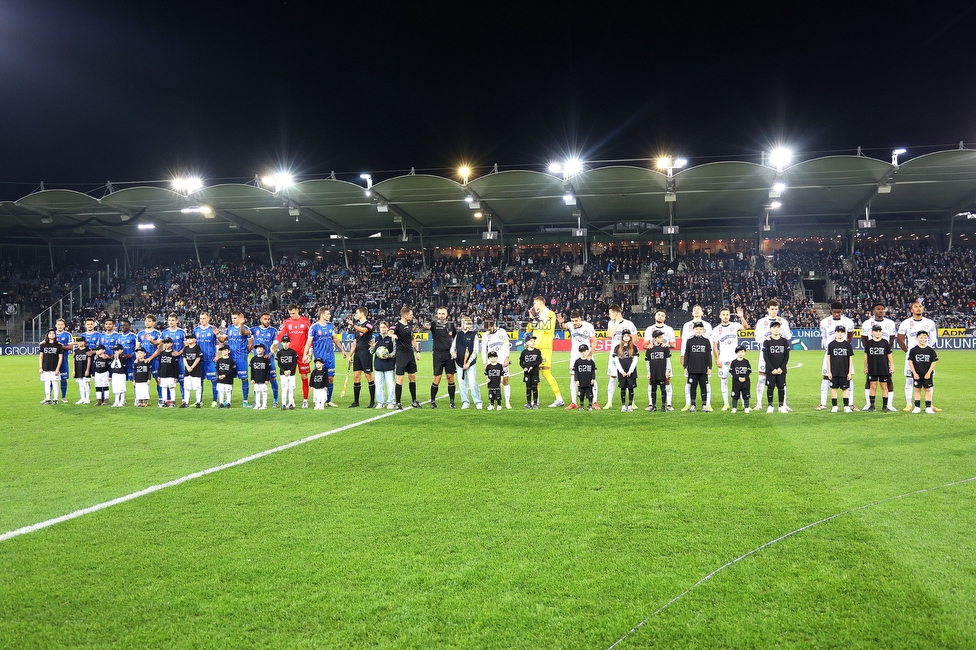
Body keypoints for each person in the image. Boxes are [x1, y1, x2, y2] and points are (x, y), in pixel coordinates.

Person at [898, 301, 939, 412]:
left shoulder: (929, 323)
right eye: (915, 307)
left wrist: (926, 349)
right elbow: (900, 340)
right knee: (909, 379)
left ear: (923, 309)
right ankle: (909, 404)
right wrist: (908, 352)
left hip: (926, 356)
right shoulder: (906, 323)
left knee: (928, 379)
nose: (918, 308)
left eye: (920, 306)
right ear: (911, 310)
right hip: (912, 356)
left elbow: (933, 339)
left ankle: (929, 404)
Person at [816, 302, 856, 411]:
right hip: (830, 353)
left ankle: (851, 404)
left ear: (842, 311)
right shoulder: (825, 322)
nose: (837, 314)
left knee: (849, 376)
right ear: (831, 311)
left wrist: (844, 346)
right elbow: (824, 337)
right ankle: (823, 403)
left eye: (839, 312)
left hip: (844, 353)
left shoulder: (848, 322)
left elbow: (850, 336)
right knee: (826, 377)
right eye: (835, 312)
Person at [755, 300, 793, 411]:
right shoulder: (761, 322)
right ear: (767, 309)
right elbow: (757, 337)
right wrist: (764, 339)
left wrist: (783, 326)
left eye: (776, 309)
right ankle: (759, 403)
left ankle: (783, 404)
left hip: (779, 355)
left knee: (782, 380)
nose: (774, 311)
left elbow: (788, 337)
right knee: (762, 378)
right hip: (765, 354)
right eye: (772, 309)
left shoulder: (783, 321)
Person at [305, 307, 347, 408]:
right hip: (319, 358)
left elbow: (335, 339)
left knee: (330, 378)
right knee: (319, 378)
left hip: (330, 357)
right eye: (328, 314)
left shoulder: (330, 326)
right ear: (322, 315)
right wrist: (305, 354)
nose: (329, 315)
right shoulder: (314, 327)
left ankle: (328, 400)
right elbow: (309, 342)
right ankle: (318, 399)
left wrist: (342, 349)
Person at [527, 296, 564, 407]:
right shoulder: (537, 316)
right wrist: (533, 318)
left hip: (545, 347)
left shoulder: (550, 314)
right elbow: (529, 329)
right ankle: (536, 400)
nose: (534, 305)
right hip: (536, 347)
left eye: (535, 303)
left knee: (546, 373)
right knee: (536, 374)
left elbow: (549, 329)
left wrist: (537, 320)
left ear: (540, 303)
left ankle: (559, 399)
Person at [860, 302, 897, 411]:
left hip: (883, 356)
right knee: (871, 382)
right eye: (878, 309)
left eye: (882, 309)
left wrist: (884, 350)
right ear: (873, 311)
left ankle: (889, 404)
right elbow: (864, 339)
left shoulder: (890, 323)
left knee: (887, 381)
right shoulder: (867, 323)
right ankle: (869, 403)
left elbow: (891, 339)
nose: (880, 311)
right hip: (873, 357)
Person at [559, 311, 597, 410]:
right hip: (575, 356)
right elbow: (564, 326)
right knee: (573, 378)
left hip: (587, 355)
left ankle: (594, 402)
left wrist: (590, 354)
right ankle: (574, 402)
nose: (574, 323)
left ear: (580, 319)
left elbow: (594, 341)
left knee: (592, 377)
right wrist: (561, 323)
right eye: (572, 321)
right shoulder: (570, 325)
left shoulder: (588, 326)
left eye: (576, 320)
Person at [712, 306, 748, 411]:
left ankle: (742, 402)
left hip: (735, 359)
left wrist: (742, 317)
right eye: (723, 315)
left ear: (729, 315)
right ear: (720, 316)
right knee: (724, 380)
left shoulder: (734, 325)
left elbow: (746, 327)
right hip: (723, 359)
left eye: (727, 314)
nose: (725, 316)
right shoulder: (716, 330)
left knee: (739, 380)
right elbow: (715, 345)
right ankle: (726, 403)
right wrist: (717, 359)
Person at [277, 304, 311, 408]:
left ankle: (305, 400)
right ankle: (291, 401)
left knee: (304, 376)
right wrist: (276, 342)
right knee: (289, 377)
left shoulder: (306, 321)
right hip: (290, 354)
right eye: (290, 313)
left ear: (297, 310)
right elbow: (281, 333)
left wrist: (310, 351)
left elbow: (310, 337)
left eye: (293, 313)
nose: (291, 315)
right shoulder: (286, 322)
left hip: (302, 354)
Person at [680, 305, 713, 411]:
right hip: (692, 362)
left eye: (699, 309)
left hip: (703, 362)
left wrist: (710, 364)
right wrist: (683, 358)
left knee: (705, 384)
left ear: (702, 312)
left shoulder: (707, 325)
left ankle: (706, 404)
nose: (696, 311)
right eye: (694, 310)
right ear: (692, 312)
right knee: (690, 383)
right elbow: (684, 343)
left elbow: (709, 348)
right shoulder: (686, 325)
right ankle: (689, 403)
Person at [605, 304, 636, 409]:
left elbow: (635, 340)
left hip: (627, 356)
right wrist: (617, 323)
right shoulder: (611, 323)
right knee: (612, 377)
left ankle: (632, 402)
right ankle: (609, 402)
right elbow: (610, 334)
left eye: (610, 313)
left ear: (616, 313)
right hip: (614, 355)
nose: (609, 315)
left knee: (628, 377)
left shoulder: (629, 324)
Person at [643, 310, 676, 410]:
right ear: (655, 316)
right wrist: (649, 345)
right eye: (658, 315)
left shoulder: (669, 329)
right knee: (651, 381)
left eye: (662, 315)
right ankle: (651, 404)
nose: (660, 317)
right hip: (654, 359)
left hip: (664, 359)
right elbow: (644, 345)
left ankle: (668, 404)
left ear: (665, 318)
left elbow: (673, 344)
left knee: (667, 380)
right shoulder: (649, 329)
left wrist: (667, 345)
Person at [391, 306, 422, 410]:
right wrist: (392, 335)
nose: (412, 316)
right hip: (401, 354)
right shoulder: (397, 325)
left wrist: (417, 351)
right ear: (405, 315)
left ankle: (414, 400)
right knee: (400, 378)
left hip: (410, 353)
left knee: (412, 376)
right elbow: (390, 331)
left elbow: (412, 339)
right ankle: (398, 403)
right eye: (410, 314)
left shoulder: (409, 326)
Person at [221, 311, 252, 407]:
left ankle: (245, 401)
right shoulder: (229, 328)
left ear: (240, 318)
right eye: (232, 318)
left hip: (241, 358)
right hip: (230, 358)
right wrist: (220, 330)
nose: (234, 320)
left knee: (244, 378)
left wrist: (245, 353)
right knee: (228, 378)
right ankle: (227, 400)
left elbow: (251, 344)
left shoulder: (246, 329)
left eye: (235, 318)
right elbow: (222, 339)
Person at [428, 306, 457, 409]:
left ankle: (452, 402)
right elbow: (426, 326)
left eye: (443, 313)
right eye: (439, 313)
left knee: (450, 377)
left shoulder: (451, 325)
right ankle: (432, 401)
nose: (441, 315)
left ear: (447, 314)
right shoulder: (433, 325)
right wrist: (425, 325)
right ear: (437, 314)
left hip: (449, 355)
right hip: (438, 355)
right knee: (437, 378)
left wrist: (455, 351)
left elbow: (455, 338)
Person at [347, 306, 376, 408]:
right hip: (358, 354)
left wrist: (353, 325)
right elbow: (355, 343)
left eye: (357, 313)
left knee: (368, 376)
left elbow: (364, 331)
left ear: (362, 314)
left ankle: (372, 402)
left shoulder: (369, 324)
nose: (356, 315)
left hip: (366, 353)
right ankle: (356, 401)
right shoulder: (357, 326)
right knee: (356, 377)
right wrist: (350, 356)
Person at [480, 319, 512, 408]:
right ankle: (493, 402)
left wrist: (507, 357)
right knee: (493, 382)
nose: (488, 330)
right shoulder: (485, 335)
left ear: (493, 325)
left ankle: (507, 401)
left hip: (502, 361)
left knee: (505, 380)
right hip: (492, 363)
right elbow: (483, 350)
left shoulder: (502, 332)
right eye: (487, 329)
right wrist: (484, 363)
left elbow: (506, 345)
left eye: (489, 327)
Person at [863, 324, 895, 412]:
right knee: (873, 386)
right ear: (872, 332)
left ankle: (885, 406)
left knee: (884, 386)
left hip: (883, 367)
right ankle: (872, 405)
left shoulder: (885, 342)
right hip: (872, 367)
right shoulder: (869, 343)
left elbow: (889, 354)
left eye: (879, 331)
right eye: (876, 331)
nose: (878, 333)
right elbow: (866, 355)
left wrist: (891, 365)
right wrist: (865, 366)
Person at [251, 312, 280, 408]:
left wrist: (270, 354)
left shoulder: (273, 330)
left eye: (268, 319)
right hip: (257, 360)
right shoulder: (255, 329)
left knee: (272, 379)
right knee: (256, 380)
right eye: (265, 319)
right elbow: (244, 333)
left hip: (269, 360)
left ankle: (275, 401)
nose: (267, 321)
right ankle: (256, 402)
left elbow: (275, 345)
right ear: (261, 319)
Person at [193, 312, 220, 407]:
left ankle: (214, 400)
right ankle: (199, 400)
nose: (202, 320)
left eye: (204, 318)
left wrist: (218, 354)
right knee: (199, 380)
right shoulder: (196, 330)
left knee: (214, 380)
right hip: (199, 360)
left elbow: (220, 342)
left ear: (208, 318)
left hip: (210, 360)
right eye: (200, 318)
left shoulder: (212, 329)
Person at [762, 321, 790, 413]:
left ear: (780, 329)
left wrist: (781, 368)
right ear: (770, 329)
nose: (776, 329)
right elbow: (766, 357)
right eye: (774, 327)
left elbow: (786, 356)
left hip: (781, 370)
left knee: (781, 387)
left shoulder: (784, 341)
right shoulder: (767, 342)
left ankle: (781, 405)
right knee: (770, 387)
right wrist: (772, 369)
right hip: (771, 370)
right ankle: (770, 405)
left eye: (778, 327)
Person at [908, 331, 938, 414]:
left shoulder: (930, 350)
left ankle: (928, 407)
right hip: (917, 373)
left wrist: (929, 373)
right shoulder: (913, 350)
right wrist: (914, 373)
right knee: (917, 389)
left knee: (927, 389)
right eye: (921, 337)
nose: (923, 339)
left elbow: (934, 361)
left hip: (927, 374)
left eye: (925, 337)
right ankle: (917, 407)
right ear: (917, 338)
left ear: (927, 338)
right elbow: (910, 361)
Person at [825, 325, 854, 412]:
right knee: (834, 388)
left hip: (844, 371)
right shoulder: (831, 345)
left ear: (844, 333)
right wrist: (829, 372)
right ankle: (835, 406)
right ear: (835, 333)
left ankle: (846, 406)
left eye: (842, 332)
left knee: (845, 389)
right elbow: (828, 359)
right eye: (838, 332)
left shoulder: (847, 345)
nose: (840, 334)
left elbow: (850, 359)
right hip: (834, 371)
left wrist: (849, 372)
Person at [455, 316, 482, 409]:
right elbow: (453, 347)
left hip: (470, 364)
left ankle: (478, 401)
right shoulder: (458, 335)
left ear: (469, 324)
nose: (463, 324)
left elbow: (475, 351)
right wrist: (453, 353)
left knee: (472, 382)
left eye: (465, 323)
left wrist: (469, 362)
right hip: (459, 364)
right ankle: (465, 402)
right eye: (462, 322)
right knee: (461, 382)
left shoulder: (474, 335)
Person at [159, 313, 187, 403]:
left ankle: (184, 399)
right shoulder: (164, 332)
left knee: (182, 380)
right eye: (169, 320)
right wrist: (151, 340)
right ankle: (168, 400)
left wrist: (179, 353)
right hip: (167, 360)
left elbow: (186, 345)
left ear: (177, 321)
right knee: (167, 380)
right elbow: (159, 343)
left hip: (179, 359)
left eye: (173, 320)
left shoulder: (182, 332)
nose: (171, 322)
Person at [610, 329, 639, 412]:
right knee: (622, 388)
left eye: (628, 336)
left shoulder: (634, 347)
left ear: (630, 337)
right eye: (624, 336)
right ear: (622, 337)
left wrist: (630, 371)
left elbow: (635, 360)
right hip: (622, 371)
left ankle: (630, 405)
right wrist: (621, 371)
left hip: (631, 371)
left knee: (631, 388)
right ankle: (623, 405)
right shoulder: (618, 347)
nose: (626, 337)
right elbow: (616, 361)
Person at [371, 321, 396, 409]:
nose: (382, 329)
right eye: (381, 327)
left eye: (384, 327)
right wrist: (373, 346)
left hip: (389, 365)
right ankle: (380, 402)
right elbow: (371, 352)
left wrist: (390, 355)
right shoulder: (376, 339)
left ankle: (390, 402)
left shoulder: (391, 338)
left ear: (387, 328)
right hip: (378, 366)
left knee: (390, 385)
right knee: (379, 385)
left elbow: (395, 351)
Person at [645, 330, 671, 412]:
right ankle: (654, 406)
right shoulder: (650, 349)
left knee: (663, 389)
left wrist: (667, 371)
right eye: (659, 337)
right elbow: (647, 361)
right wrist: (648, 372)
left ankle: (663, 406)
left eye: (661, 337)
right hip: (653, 372)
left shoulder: (665, 348)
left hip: (662, 372)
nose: (661, 339)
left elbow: (668, 360)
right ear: (655, 338)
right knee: (653, 389)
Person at [138, 314, 162, 402]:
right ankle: (143, 398)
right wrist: (139, 358)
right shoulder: (140, 333)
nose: (147, 323)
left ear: (153, 323)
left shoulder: (158, 333)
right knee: (142, 379)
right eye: (146, 321)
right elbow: (137, 348)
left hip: (154, 359)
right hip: (143, 360)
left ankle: (161, 398)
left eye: (149, 321)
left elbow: (159, 349)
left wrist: (150, 358)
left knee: (158, 379)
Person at [39, 329, 63, 405]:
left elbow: (60, 358)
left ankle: (55, 399)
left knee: (55, 382)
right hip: (45, 367)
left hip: (54, 367)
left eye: (53, 333)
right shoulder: (43, 345)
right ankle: (48, 399)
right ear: (47, 335)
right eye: (50, 333)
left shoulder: (58, 345)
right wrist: (40, 367)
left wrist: (57, 368)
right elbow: (41, 357)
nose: (52, 334)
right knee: (47, 383)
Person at [519, 335, 543, 409]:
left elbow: (540, 360)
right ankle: (528, 403)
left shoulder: (537, 351)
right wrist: (524, 367)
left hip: (535, 372)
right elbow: (521, 362)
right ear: (527, 343)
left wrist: (532, 366)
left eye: (534, 341)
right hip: (527, 374)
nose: (533, 343)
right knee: (528, 388)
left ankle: (535, 403)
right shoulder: (524, 352)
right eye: (531, 341)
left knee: (534, 387)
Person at [276, 335, 299, 409]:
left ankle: (291, 403)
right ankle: (283, 404)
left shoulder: (293, 352)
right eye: (284, 342)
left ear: (289, 343)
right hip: (283, 374)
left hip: (291, 374)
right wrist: (284, 371)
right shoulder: (280, 353)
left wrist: (290, 370)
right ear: (281, 343)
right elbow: (279, 364)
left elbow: (295, 363)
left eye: (287, 342)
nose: (285, 344)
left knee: (291, 389)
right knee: (284, 389)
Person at [181, 332, 204, 408]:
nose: (189, 340)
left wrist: (192, 367)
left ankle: (198, 402)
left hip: (196, 370)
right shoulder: (186, 348)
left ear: (195, 339)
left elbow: (198, 358)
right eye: (188, 338)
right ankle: (186, 403)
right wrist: (187, 366)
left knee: (197, 387)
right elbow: (184, 358)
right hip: (187, 370)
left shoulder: (197, 348)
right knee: (187, 387)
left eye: (191, 338)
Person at [572, 343, 598, 411]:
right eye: (581, 351)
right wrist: (577, 380)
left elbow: (593, 370)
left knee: (589, 394)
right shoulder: (577, 361)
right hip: (581, 381)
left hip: (588, 380)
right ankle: (581, 405)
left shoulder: (590, 361)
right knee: (581, 394)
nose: (583, 353)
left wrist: (593, 378)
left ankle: (589, 405)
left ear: (587, 351)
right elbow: (576, 371)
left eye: (584, 351)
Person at [54, 318, 73, 402]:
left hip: (63, 360)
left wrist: (61, 346)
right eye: (58, 324)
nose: (60, 326)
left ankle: (63, 397)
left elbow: (70, 347)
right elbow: (43, 343)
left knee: (63, 378)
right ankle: (50, 397)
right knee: (51, 379)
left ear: (64, 326)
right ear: (56, 325)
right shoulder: (51, 334)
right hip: (52, 360)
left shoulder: (68, 335)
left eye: (61, 324)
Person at [157, 337, 179, 407]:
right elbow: (160, 365)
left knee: (171, 387)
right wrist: (159, 375)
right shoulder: (162, 353)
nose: (166, 344)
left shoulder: (173, 354)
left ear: (171, 344)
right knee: (163, 387)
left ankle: (172, 401)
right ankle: (164, 401)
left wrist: (176, 376)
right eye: (165, 343)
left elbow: (176, 366)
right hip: (163, 374)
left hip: (171, 374)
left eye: (168, 343)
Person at [729, 345, 752, 413]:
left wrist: (744, 377)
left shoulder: (746, 362)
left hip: (745, 382)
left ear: (744, 352)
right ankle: (734, 407)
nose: (740, 353)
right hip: (736, 382)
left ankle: (746, 407)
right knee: (735, 395)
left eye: (742, 352)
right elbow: (732, 372)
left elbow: (748, 371)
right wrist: (738, 377)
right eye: (739, 352)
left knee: (746, 395)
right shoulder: (733, 362)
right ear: (736, 353)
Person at [249, 342, 271, 410]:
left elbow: (268, 370)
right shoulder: (253, 359)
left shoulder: (266, 359)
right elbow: (252, 370)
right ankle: (257, 404)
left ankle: (264, 405)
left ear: (263, 350)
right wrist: (252, 378)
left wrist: (267, 379)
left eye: (260, 348)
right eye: (257, 348)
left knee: (264, 392)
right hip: (256, 379)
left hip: (263, 379)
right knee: (257, 392)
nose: (259, 350)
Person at [118, 319, 138, 388]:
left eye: (125, 325)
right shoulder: (119, 336)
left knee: (135, 381)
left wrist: (131, 355)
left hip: (132, 361)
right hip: (122, 362)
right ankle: (122, 398)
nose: (122, 327)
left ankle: (137, 397)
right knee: (121, 381)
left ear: (129, 326)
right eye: (121, 325)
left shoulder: (134, 336)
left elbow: (138, 349)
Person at [72, 337, 92, 405]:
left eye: (81, 341)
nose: (80, 343)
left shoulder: (87, 350)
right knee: (80, 385)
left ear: (84, 342)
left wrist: (87, 370)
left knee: (86, 384)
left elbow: (89, 360)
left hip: (85, 369)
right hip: (78, 369)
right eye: (78, 342)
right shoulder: (76, 351)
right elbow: (74, 361)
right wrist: (74, 371)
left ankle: (87, 398)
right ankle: (82, 398)